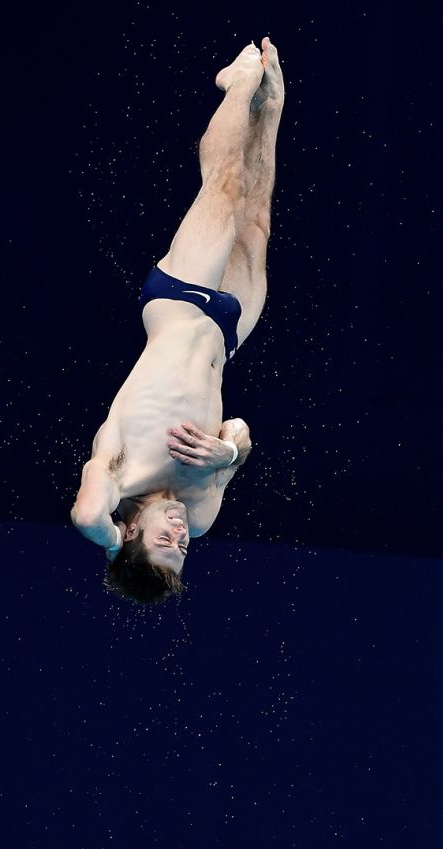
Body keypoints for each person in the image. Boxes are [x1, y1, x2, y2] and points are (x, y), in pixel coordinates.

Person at [70, 39, 284, 603]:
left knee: (225, 188)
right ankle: (271, 106)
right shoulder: (204, 509)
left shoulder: (117, 473)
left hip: (178, 301)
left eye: (163, 541)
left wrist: (113, 546)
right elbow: (237, 430)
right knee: (256, 218)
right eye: (182, 549)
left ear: (131, 532)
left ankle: (237, 84)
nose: (181, 534)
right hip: (227, 332)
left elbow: (87, 513)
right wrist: (230, 452)